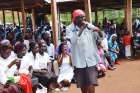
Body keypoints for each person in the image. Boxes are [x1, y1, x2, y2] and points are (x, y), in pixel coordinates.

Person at [66, 9, 100, 93]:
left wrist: (98, 30)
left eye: (84, 17)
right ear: (75, 19)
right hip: (78, 61)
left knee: (91, 82)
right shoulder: (69, 28)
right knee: (83, 84)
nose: (84, 19)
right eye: (81, 18)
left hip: (90, 60)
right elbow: (73, 41)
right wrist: (81, 29)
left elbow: (98, 36)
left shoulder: (88, 25)